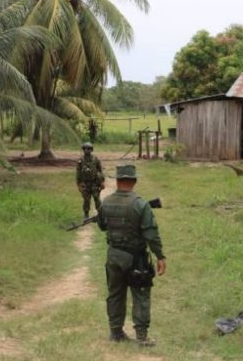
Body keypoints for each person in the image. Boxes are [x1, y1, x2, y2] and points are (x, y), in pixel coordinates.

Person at [97, 165, 166, 347]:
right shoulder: (140, 204)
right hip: (136, 258)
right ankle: (142, 337)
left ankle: (116, 332)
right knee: (141, 294)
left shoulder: (106, 202)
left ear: (118, 181)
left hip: (113, 256)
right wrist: (160, 256)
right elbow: (151, 234)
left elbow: (103, 226)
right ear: (134, 181)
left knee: (115, 294)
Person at [76, 142, 104, 218]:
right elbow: (78, 173)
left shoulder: (95, 159)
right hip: (85, 184)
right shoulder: (81, 160)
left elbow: (100, 170)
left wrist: (102, 182)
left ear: (91, 150)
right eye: (85, 148)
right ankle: (86, 214)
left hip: (94, 183)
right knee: (86, 200)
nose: (86, 150)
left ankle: (100, 214)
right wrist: (78, 184)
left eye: (88, 149)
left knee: (96, 198)